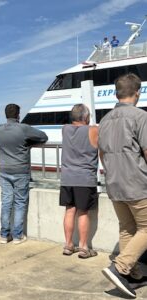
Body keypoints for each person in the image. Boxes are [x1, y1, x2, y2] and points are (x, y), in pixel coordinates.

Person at [99, 73, 147, 298]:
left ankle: (132, 273)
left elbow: (101, 153)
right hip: (137, 183)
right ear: (137, 93)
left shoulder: (105, 119)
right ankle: (119, 268)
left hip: (114, 183)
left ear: (117, 93)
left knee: (127, 228)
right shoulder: (140, 116)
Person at [0, 104, 48, 244]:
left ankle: (4, 235)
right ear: (18, 115)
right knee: (20, 202)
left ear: (6, 114)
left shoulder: (0, 129)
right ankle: (17, 236)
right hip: (20, 170)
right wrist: (28, 143)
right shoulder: (23, 128)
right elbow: (44, 137)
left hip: (4, 170)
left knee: (6, 202)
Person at [60, 104, 98, 258]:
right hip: (85, 178)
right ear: (85, 117)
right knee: (83, 212)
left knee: (69, 210)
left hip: (67, 177)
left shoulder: (65, 129)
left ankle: (68, 245)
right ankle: (83, 247)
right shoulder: (94, 130)